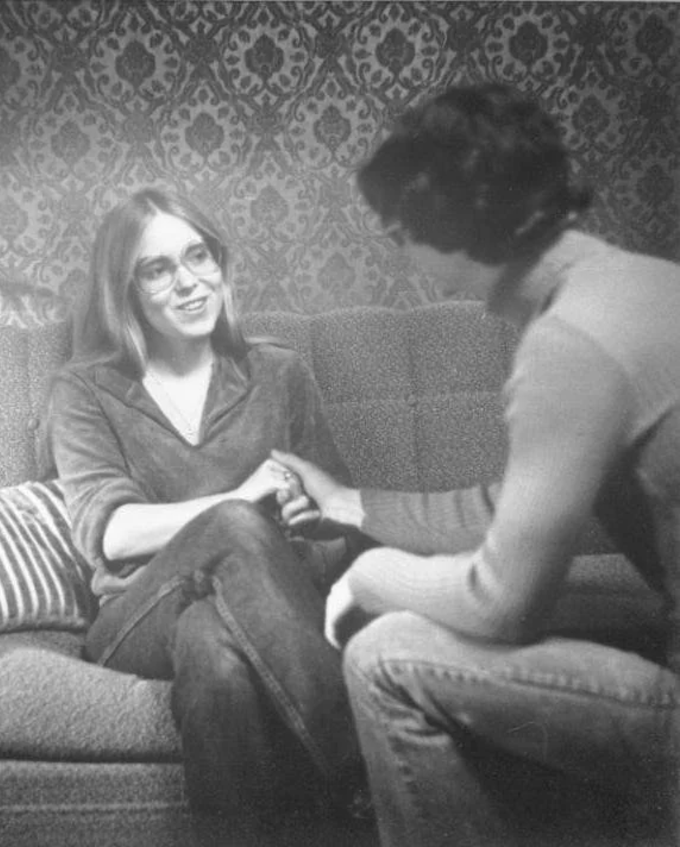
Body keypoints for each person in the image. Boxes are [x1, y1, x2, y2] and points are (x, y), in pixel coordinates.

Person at [273, 83, 680, 847]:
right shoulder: (647, 282)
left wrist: (367, 575)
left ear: (452, 225)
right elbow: (513, 510)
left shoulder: (570, 343)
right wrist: (355, 503)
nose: (404, 261)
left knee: (383, 653)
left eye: (398, 236)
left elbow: (502, 604)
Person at [45, 188, 367, 845]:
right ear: (125, 290)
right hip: (135, 615)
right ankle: (369, 780)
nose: (191, 282)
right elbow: (112, 531)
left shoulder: (278, 372)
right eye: (159, 269)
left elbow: (340, 530)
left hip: (270, 607)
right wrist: (241, 501)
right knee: (232, 527)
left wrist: (310, 518)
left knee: (211, 644)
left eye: (200, 255)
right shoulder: (85, 390)